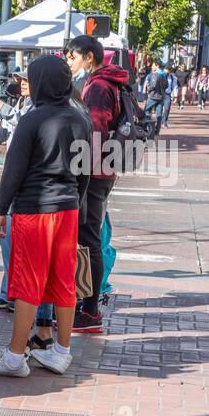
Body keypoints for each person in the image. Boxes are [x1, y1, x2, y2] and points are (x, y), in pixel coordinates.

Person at [0, 55, 91, 378]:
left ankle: (14, 356)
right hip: (67, 208)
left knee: (28, 282)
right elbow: (85, 172)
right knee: (63, 280)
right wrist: (76, 201)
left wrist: (1, 209)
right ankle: (61, 351)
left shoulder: (32, 119)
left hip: (34, 209)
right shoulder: (80, 119)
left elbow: (14, 170)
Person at [66, 34, 129, 334]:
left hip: (94, 172)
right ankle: (86, 304)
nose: (69, 62)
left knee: (89, 238)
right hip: (101, 170)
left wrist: (78, 170)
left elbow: (95, 132)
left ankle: (89, 310)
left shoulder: (99, 86)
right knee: (89, 236)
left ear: (89, 57)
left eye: (72, 57)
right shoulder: (106, 82)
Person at [0, 69, 32, 313]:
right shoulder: (24, 104)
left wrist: (3, 110)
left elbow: (24, 123)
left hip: (26, 184)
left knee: (17, 243)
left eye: (27, 80)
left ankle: (16, 294)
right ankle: (9, 291)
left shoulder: (36, 108)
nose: (22, 84)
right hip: (16, 179)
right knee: (9, 241)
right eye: (21, 80)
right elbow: (5, 136)